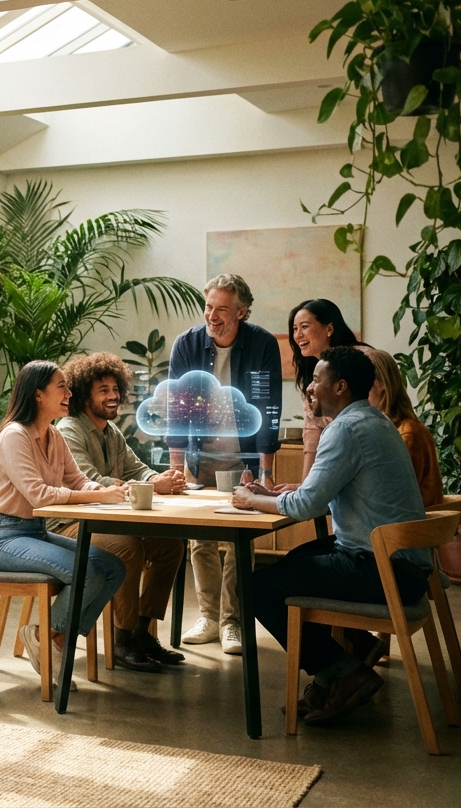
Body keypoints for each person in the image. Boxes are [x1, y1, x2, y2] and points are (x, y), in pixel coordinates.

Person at [233, 346, 431, 726]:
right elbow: (324, 495)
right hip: (401, 565)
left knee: (256, 587)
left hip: (382, 571)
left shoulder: (345, 428)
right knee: (292, 565)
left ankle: (345, 672)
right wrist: (276, 496)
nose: (309, 388)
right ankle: (339, 667)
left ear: (340, 386)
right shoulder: (373, 420)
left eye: (316, 381)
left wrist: (249, 500)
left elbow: (307, 506)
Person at [0, 360, 126, 689]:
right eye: (62, 386)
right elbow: (39, 495)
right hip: (1, 538)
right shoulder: (14, 436)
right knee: (88, 572)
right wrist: (92, 497)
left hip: (35, 532)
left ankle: (50, 639)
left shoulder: (54, 436)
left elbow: (79, 481)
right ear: (38, 394)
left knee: (113, 567)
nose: (69, 392)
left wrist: (107, 491)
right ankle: (52, 643)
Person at [167, 273, 281, 654]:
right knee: (200, 538)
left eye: (222, 309)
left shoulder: (262, 343)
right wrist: (176, 466)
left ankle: (234, 621)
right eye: (209, 307)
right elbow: (177, 408)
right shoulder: (188, 343)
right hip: (200, 456)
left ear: (242, 312)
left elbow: (268, 406)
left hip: (244, 456)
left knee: (239, 540)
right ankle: (209, 617)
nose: (212, 316)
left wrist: (265, 470)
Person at [56, 352, 186, 672]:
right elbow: (90, 483)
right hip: (69, 524)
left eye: (115, 389)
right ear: (85, 395)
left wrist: (159, 479)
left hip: (106, 521)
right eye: (103, 390)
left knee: (171, 545)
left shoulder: (111, 432)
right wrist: (154, 487)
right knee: (127, 548)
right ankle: (122, 637)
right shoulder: (69, 429)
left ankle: (142, 632)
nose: (113, 396)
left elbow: (137, 470)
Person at [287, 298, 364, 480]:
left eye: (304, 327)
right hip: (333, 467)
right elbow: (312, 434)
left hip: (362, 461)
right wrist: (305, 487)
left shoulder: (361, 361)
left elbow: (375, 418)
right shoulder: (311, 369)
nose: (297, 335)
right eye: (295, 329)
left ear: (329, 329)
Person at [362, 347, 444, 507]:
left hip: (408, 528)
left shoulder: (407, 432)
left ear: (382, 384)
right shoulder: (387, 427)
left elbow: (392, 495)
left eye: (361, 382)